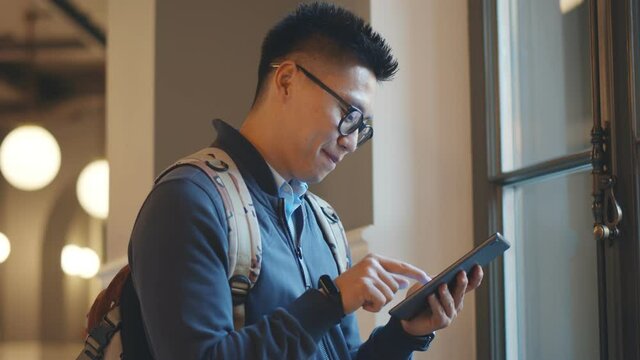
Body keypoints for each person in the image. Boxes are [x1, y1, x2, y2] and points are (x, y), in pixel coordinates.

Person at [125, 2, 483, 359]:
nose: (353, 141)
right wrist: (329, 302)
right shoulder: (189, 199)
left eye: (363, 128)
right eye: (349, 114)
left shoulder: (322, 222)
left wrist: (404, 334)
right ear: (286, 80)